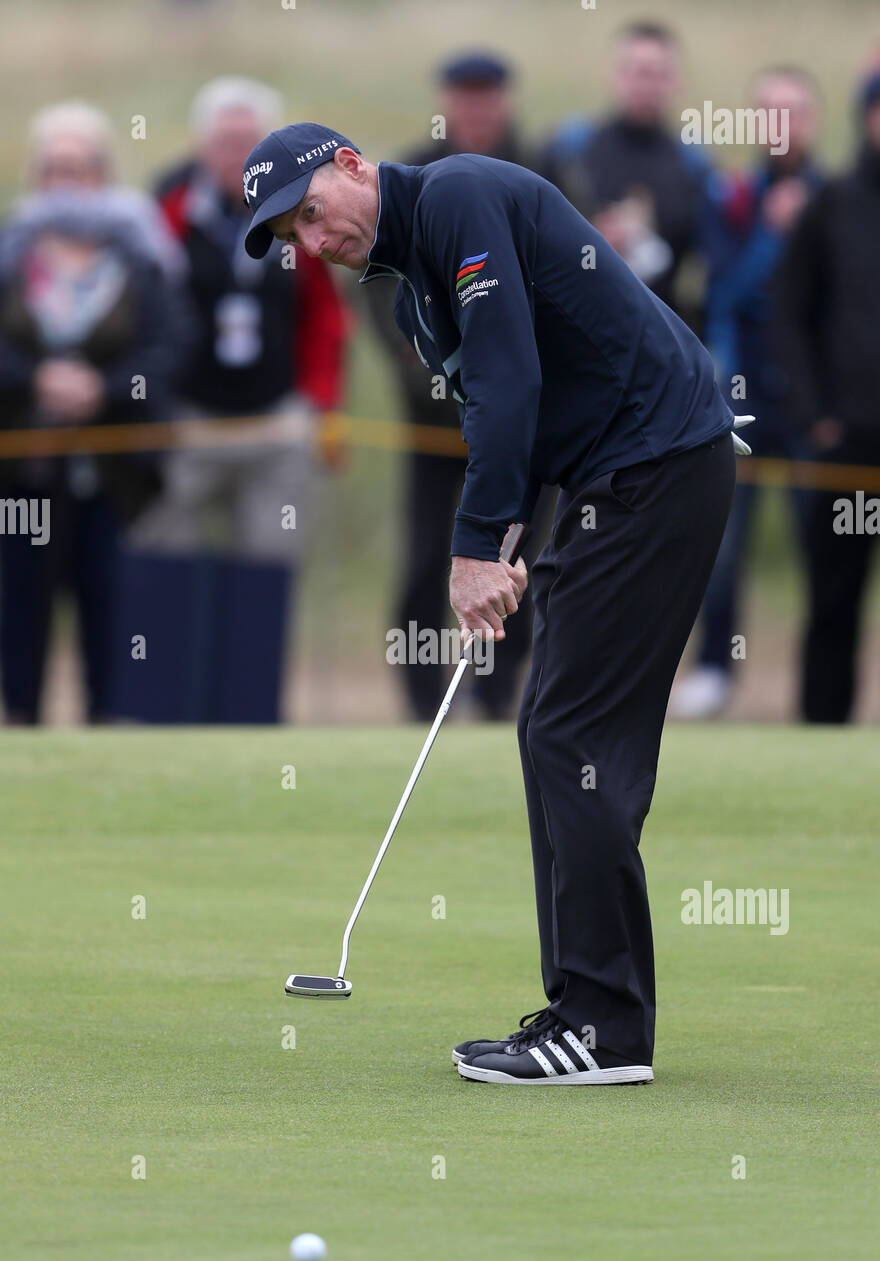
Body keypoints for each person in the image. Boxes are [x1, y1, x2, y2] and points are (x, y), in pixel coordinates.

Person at [242, 122, 749, 1086]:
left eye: (311, 215)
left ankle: (603, 1028)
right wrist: (512, 533)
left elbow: (513, 377)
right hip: (618, 479)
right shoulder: (412, 301)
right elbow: (510, 408)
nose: (313, 243)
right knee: (552, 733)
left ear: (352, 165)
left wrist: (476, 548)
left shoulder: (457, 195)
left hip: (658, 467)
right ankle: (582, 1012)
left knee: (571, 737)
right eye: (290, 239)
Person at [118, 77, 350, 723]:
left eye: (246, 142)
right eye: (224, 141)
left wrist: (322, 404)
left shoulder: (296, 209)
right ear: (202, 144)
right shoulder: (166, 206)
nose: (234, 154)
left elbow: (326, 318)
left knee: (266, 571)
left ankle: (250, 718)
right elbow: (139, 312)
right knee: (165, 562)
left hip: (275, 417)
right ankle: (158, 713)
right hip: (187, 418)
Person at [363, 51, 552, 722]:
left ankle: (499, 697)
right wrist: (427, 362)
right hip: (433, 419)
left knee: (514, 557)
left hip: (522, 424)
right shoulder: (411, 173)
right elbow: (379, 287)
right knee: (425, 558)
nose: (475, 109)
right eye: (463, 96)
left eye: (486, 95)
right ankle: (420, 698)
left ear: (504, 100)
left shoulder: (543, 169)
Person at [0, 102, 180, 723]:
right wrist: (37, 379)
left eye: (80, 167)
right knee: (21, 608)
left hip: (113, 473)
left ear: (103, 172)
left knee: (109, 607)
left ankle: (108, 731)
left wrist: (103, 388)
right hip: (25, 473)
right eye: (54, 168)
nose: (66, 182)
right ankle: (21, 728)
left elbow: (166, 348)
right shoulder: (12, 254)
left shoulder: (140, 255)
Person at [672, 67, 824, 720]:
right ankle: (714, 671)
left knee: (822, 543)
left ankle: (821, 685)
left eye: (791, 112)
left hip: (813, 402)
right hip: (738, 396)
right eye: (768, 112)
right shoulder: (731, 196)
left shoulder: (835, 196)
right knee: (723, 544)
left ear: (812, 120)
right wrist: (773, 233)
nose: (780, 125)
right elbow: (725, 289)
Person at [775, 68, 880, 723]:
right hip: (849, 439)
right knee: (834, 596)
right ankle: (821, 726)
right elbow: (789, 313)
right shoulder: (832, 204)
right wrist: (815, 415)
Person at [540, 20, 710, 321]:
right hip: (573, 324)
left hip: (662, 329)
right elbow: (533, 241)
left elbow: (713, 262)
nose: (646, 85)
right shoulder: (568, 149)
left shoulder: (694, 163)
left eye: (658, 74)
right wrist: (590, 242)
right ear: (613, 76)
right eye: (636, 72)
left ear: (676, 82)